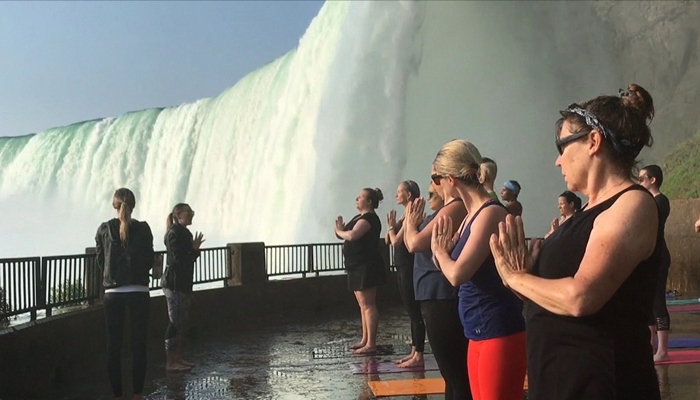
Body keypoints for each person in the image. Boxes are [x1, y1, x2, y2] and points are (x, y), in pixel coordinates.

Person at [490, 84, 662, 399]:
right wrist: (524, 276)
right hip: (559, 381)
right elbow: (550, 297)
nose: (558, 162)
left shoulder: (631, 204)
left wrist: (517, 277)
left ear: (593, 142)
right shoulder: (586, 212)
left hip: (605, 385)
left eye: (562, 147)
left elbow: (581, 298)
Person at [430, 139, 526, 400]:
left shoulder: (489, 214)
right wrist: (442, 251)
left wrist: (440, 252)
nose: (434, 186)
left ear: (451, 179)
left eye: (435, 178)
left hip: (498, 330)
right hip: (477, 331)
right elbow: (447, 266)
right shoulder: (471, 215)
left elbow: (457, 274)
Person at [404, 179, 472, 400]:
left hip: (443, 295)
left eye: (435, 180)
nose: (431, 187)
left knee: (456, 373)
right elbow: (409, 242)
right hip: (432, 294)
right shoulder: (442, 211)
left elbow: (414, 243)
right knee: (450, 374)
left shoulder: (456, 207)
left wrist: (411, 223)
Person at [95, 188, 154, 400]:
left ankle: (118, 396)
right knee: (139, 346)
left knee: (114, 347)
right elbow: (149, 260)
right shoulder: (144, 229)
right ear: (133, 205)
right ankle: (137, 395)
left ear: (114, 205)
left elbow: (101, 261)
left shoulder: (103, 229)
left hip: (113, 293)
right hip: (139, 291)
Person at [336, 188, 385, 355]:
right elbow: (346, 233)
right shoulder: (359, 217)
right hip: (356, 266)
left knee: (368, 305)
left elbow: (353, 235)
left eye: (361, 197)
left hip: (366, 266)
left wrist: (339, 232)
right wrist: (340, 230)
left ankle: (371, 343)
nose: (357, 199)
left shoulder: (369, 218)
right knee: (363, 305)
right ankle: (365, 339)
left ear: (370, 201)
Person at [385, 180, 426, 367]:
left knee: (414, 311)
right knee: (410, 312)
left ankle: (419, 354)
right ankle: (414, 350)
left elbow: (395, 241)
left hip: (409, 266)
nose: (396, 195)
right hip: (402, 266)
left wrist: (392, 228)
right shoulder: (405, 214)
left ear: (409, 195)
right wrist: (392, 226)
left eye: (399, 191)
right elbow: (389, 238)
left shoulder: (411, 212)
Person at [162, 203, 205, 371]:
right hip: (174, 284)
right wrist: (194, 250)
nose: (191, 214)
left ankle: (178, 358)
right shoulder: (173, 234)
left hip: (183, 283)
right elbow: (178, 261)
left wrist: (193, 251)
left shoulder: (184, 233)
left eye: (191, 211)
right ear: (178, 215)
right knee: (174, 323)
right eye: (188, 212)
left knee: (180, 322)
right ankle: (170, 362)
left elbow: (186, 260)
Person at [639, 164, 672, 362]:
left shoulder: (660, 201)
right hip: (648, 256)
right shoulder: (648, 202)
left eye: (642, 178)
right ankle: (650, 346)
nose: (639, 182)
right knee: (648, 301)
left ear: (653, 180)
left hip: (659, 256)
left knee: (658, 301)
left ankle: (663, 350)